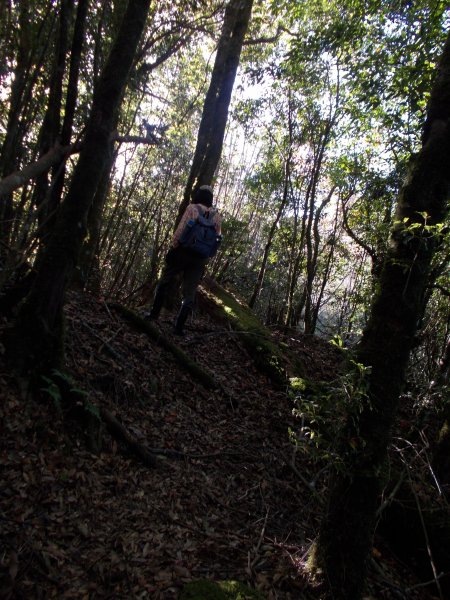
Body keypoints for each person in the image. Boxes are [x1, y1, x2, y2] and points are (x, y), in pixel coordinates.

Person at [145, 185, 222, 335]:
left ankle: (154, 315)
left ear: (199, 195)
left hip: (183, 251)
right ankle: (178, 328)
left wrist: (173, 246)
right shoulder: (217, 216)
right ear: (210, 198)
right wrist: (208, 255)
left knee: (165, 281)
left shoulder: (192, 208)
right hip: (200, 258)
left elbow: (181, 229)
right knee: (189, 292)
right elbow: (217, 238)